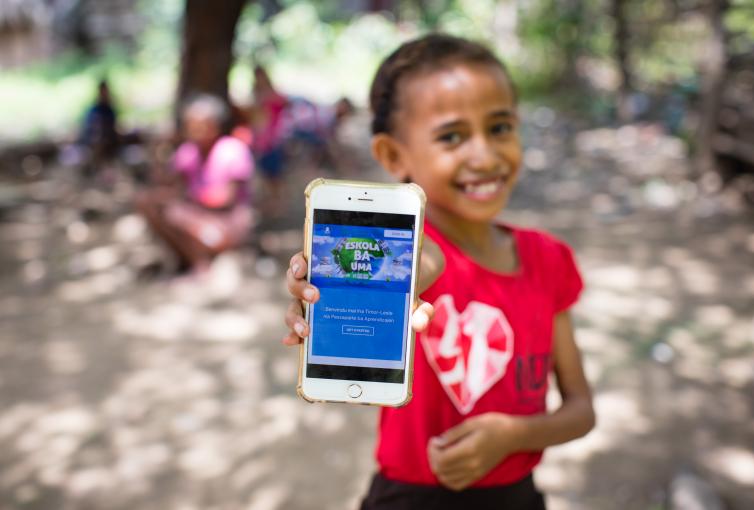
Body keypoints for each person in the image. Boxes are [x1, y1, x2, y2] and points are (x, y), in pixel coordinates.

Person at [282, 34, 596, 509]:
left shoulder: (549, 260)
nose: (485, 156)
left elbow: (582, 412)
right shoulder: (405, 259)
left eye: (500, 127)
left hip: (518, 498)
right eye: (452, 136)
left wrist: (512, 436)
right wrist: (323, 299)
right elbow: (410, 270)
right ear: (392, 156)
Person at [136, 94, 254, 276]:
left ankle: (201, 265)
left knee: (177, 212)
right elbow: (167, 183)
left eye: (200, 126)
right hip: (199, 220)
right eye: (191, 126)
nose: (195, 131)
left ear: (215, 125)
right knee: (149, 202)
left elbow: (225, 199)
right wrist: (160, 151)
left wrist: (188, 198)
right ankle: (186, 260)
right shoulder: (188, 152)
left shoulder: (232, 150)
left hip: (227, 224)